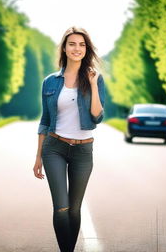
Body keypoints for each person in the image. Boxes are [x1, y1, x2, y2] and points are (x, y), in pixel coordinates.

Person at [33, 26, 105, 252]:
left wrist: (92, 84)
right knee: (61, 208)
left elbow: (97, 116)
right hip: (54, 147)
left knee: (74, 210)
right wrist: (38, 157)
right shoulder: (50, 82)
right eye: (72, 44)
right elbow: (45, 120)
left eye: (82, 44)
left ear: (87, 49)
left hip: (83, 151)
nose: (77, 48)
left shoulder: (95, 78)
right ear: (64, 48)